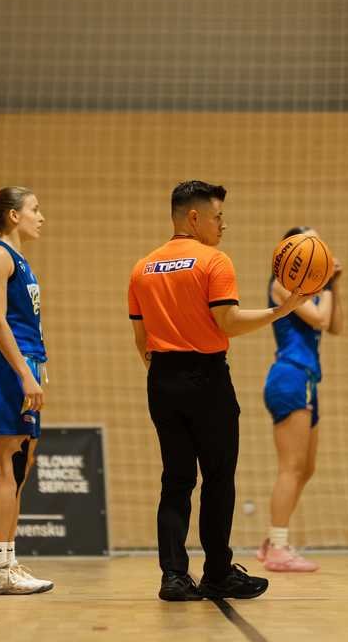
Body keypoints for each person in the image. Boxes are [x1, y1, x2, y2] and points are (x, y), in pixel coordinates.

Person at [128, 180, 308, 602]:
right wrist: (281, 310)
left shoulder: (143, 267)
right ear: (194, 217)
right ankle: (217, 573)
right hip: (207, 379)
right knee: (218, 478)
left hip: (162, 379)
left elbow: (141, 339)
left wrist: (167, 374)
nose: (222, 225)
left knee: (175, 480)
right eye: (218, 216)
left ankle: (174, 577)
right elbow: (228, 322)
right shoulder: (214, 261)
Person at [0, 186, 53, 596]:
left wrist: (36, 369)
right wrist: (24, 373)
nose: (41, 216)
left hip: (23, 366)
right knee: (8, 468)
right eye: (34, 209)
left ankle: (7, 563)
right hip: (7, 370)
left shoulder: (19, 261)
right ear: (13, 215)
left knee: (20, 468)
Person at [258, 227, 343, 572]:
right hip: (289, 375)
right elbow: (320, 319)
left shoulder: (314, 290)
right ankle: (278, 548)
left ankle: (272, 540)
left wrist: (334, 284)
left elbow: (335, 325)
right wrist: (327, 284)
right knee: (291, 467)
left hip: (307, 379)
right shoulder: (281, 285)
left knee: (306, 468)